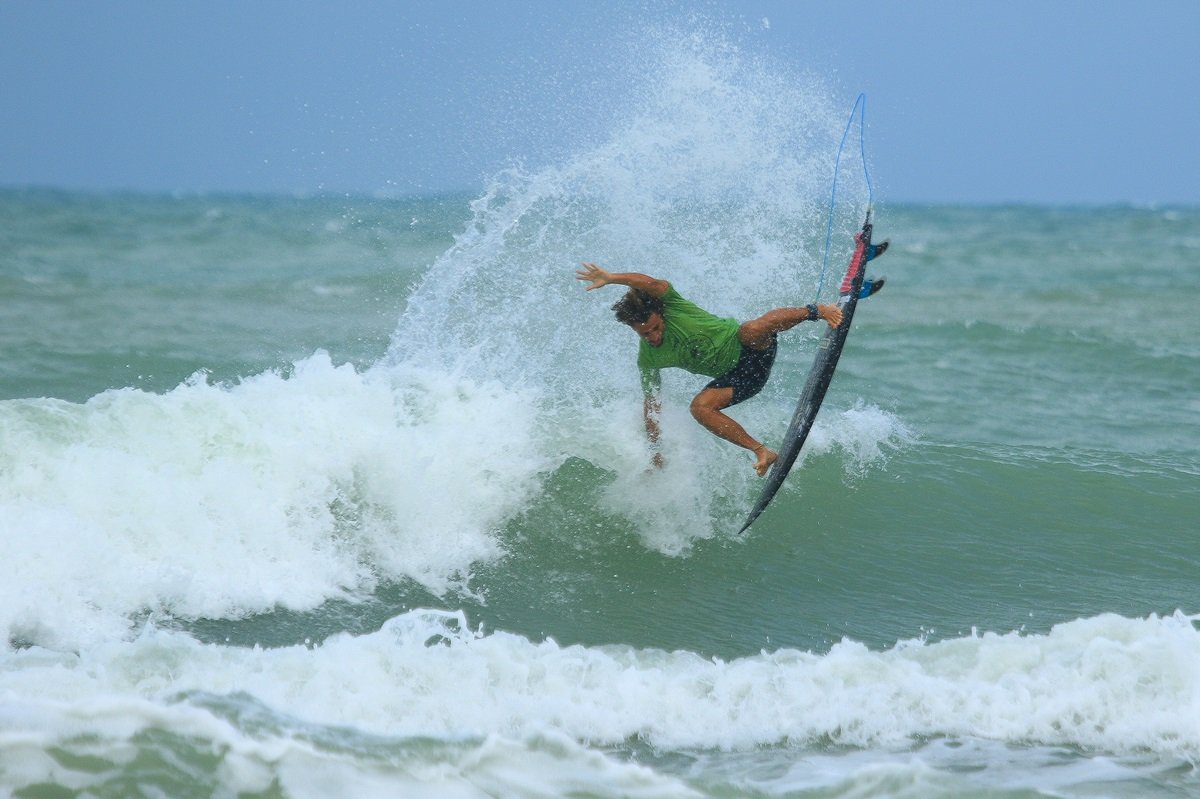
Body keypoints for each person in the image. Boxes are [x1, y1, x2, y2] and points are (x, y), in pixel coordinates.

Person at [575, 258, 885, 476]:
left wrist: (612, 278)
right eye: (645, 334)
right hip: (741, 380)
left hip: (754, 349)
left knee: (751, 328)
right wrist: (655, 452)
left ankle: (818, 311)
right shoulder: (648, 358)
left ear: (662, 315)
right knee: (700, 408)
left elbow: (651, 283)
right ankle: (761, 451)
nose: (653, 337)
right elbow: (652, 405)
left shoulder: (674, 306)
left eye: (656, 328)